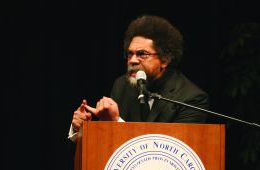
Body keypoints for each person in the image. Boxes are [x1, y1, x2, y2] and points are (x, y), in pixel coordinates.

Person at [68, 15, 209, 141]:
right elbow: (108, 143)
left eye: (142, 54)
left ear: (164, 60)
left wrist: (115, 122)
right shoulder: (121, 85)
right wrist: (83, 128)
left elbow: (172, 153)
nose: (133, 60)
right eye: (130, 54)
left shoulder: (191, 98)